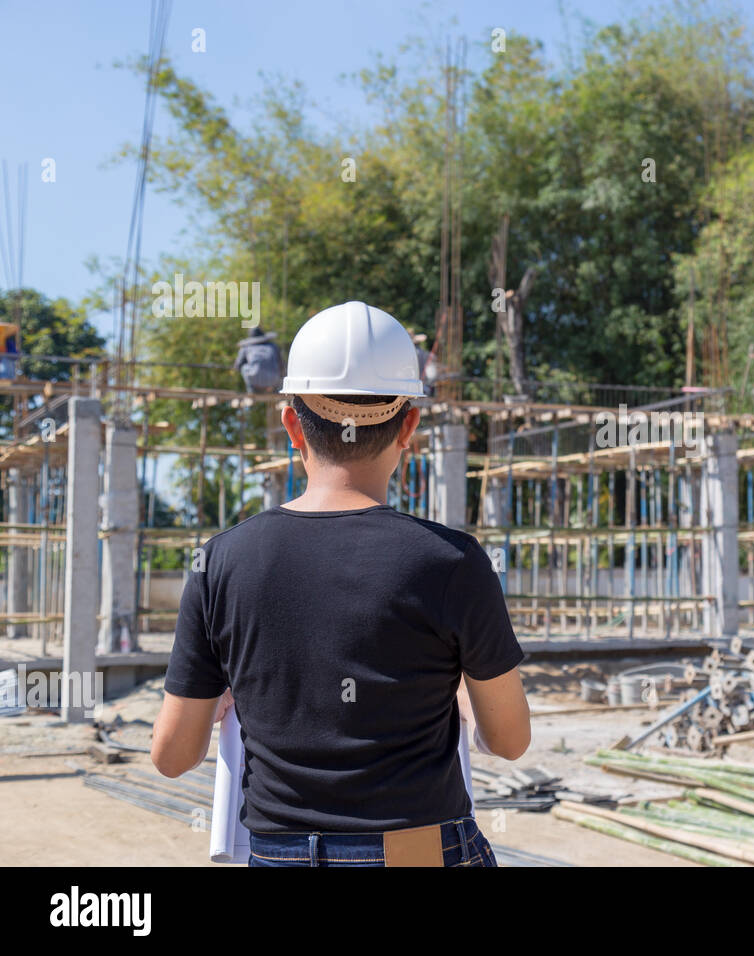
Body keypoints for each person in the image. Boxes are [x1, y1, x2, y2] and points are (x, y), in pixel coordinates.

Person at [153, 301, 531, 867]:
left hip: (280, 856)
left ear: (291, 426)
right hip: (421, 852)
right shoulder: (453, 562)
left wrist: (226, 696)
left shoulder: (222, 561)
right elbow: (509, 740)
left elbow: (173, 755)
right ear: (410, 427)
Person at [232, 328, 283, 394]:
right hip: (274, 380)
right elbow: (281, 365)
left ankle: (251, 392)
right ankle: (275, 391)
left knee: (243, 367)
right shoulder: (273, 346)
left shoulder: (246, 347)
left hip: (254, 381)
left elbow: (237, 365)